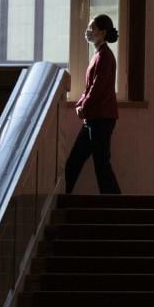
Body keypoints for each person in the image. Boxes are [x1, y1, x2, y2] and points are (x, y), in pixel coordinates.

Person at [65, 15, 122, 195]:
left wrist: (84, 106)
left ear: (103, 33)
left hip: (101, 118)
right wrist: (80, 104)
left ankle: (115, 205)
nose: (88, 32)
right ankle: (66, 197)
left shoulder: (105, 56)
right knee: (79, 161)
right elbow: (91, 88)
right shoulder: (99, 55)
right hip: (95, 118)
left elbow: (97, 88)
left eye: (92, 28)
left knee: (100, 163)